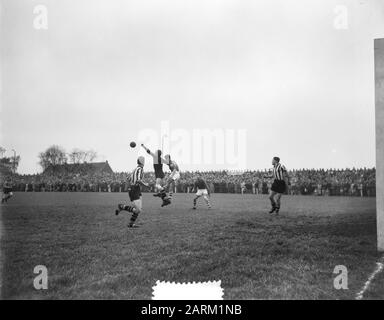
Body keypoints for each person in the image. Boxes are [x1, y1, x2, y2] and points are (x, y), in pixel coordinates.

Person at [115, 156, 149, 228]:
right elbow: (138, 180)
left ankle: (129, 221)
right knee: (138, 209)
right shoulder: (140, 169)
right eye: (144, 160)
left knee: (138, 209)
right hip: (134, 189)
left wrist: (126, 188)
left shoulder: (135, 169)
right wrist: (145, 185)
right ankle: (123, 208)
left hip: (135, 189)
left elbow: (128, 179)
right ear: (142, 161)